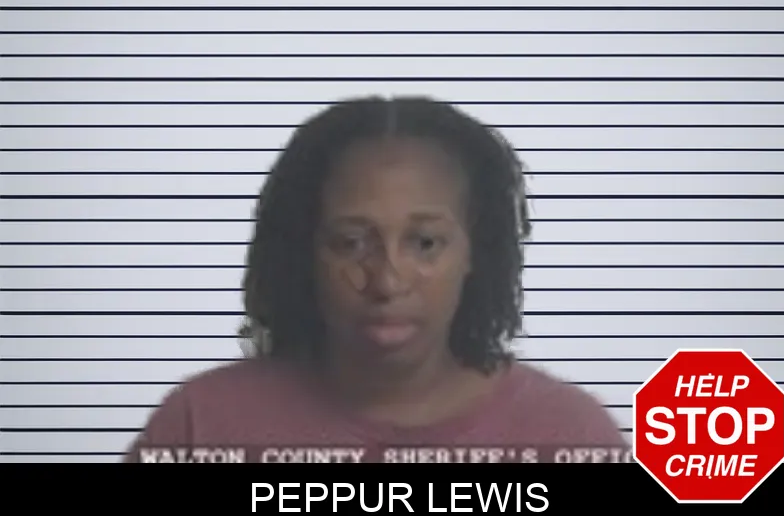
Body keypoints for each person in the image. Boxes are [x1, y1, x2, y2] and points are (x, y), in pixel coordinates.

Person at [124, 96, 628, 463]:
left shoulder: (571, 437)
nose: (387, 281)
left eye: (425, 243)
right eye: (351, 243)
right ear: (305, 251)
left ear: (475, 251)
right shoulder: (199, 427)